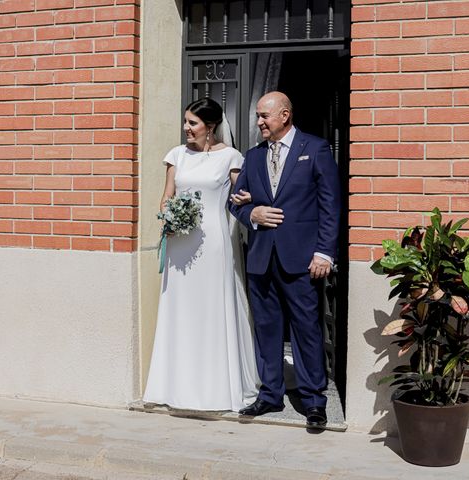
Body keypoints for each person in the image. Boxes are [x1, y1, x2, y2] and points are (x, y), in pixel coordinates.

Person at [229, 91, 341, 428]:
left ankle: (313, 401)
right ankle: (270, 395)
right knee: (267, 330)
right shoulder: (252, 156)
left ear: (285, 115)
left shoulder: (315, 149)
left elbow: (330, 206)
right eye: (259, 117)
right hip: (262, 259)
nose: (259, 122)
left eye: (264, 116)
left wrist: (324, 252)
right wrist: (253, 212)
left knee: (306, 330)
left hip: (302, 260)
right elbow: (234, 202)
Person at [143, 98, 259, 411]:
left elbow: (239, 198)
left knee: (210, 310)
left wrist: (250, 199)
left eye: (192, 123)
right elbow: (167, 197)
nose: (186, 128)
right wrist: (169, 216)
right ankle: (173, 385)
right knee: (180, 310)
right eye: (185, 122)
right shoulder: (176, 155)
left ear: (210, 127)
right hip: (179, 243)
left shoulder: (232, 158)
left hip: (213, 244)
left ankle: (215, 387)